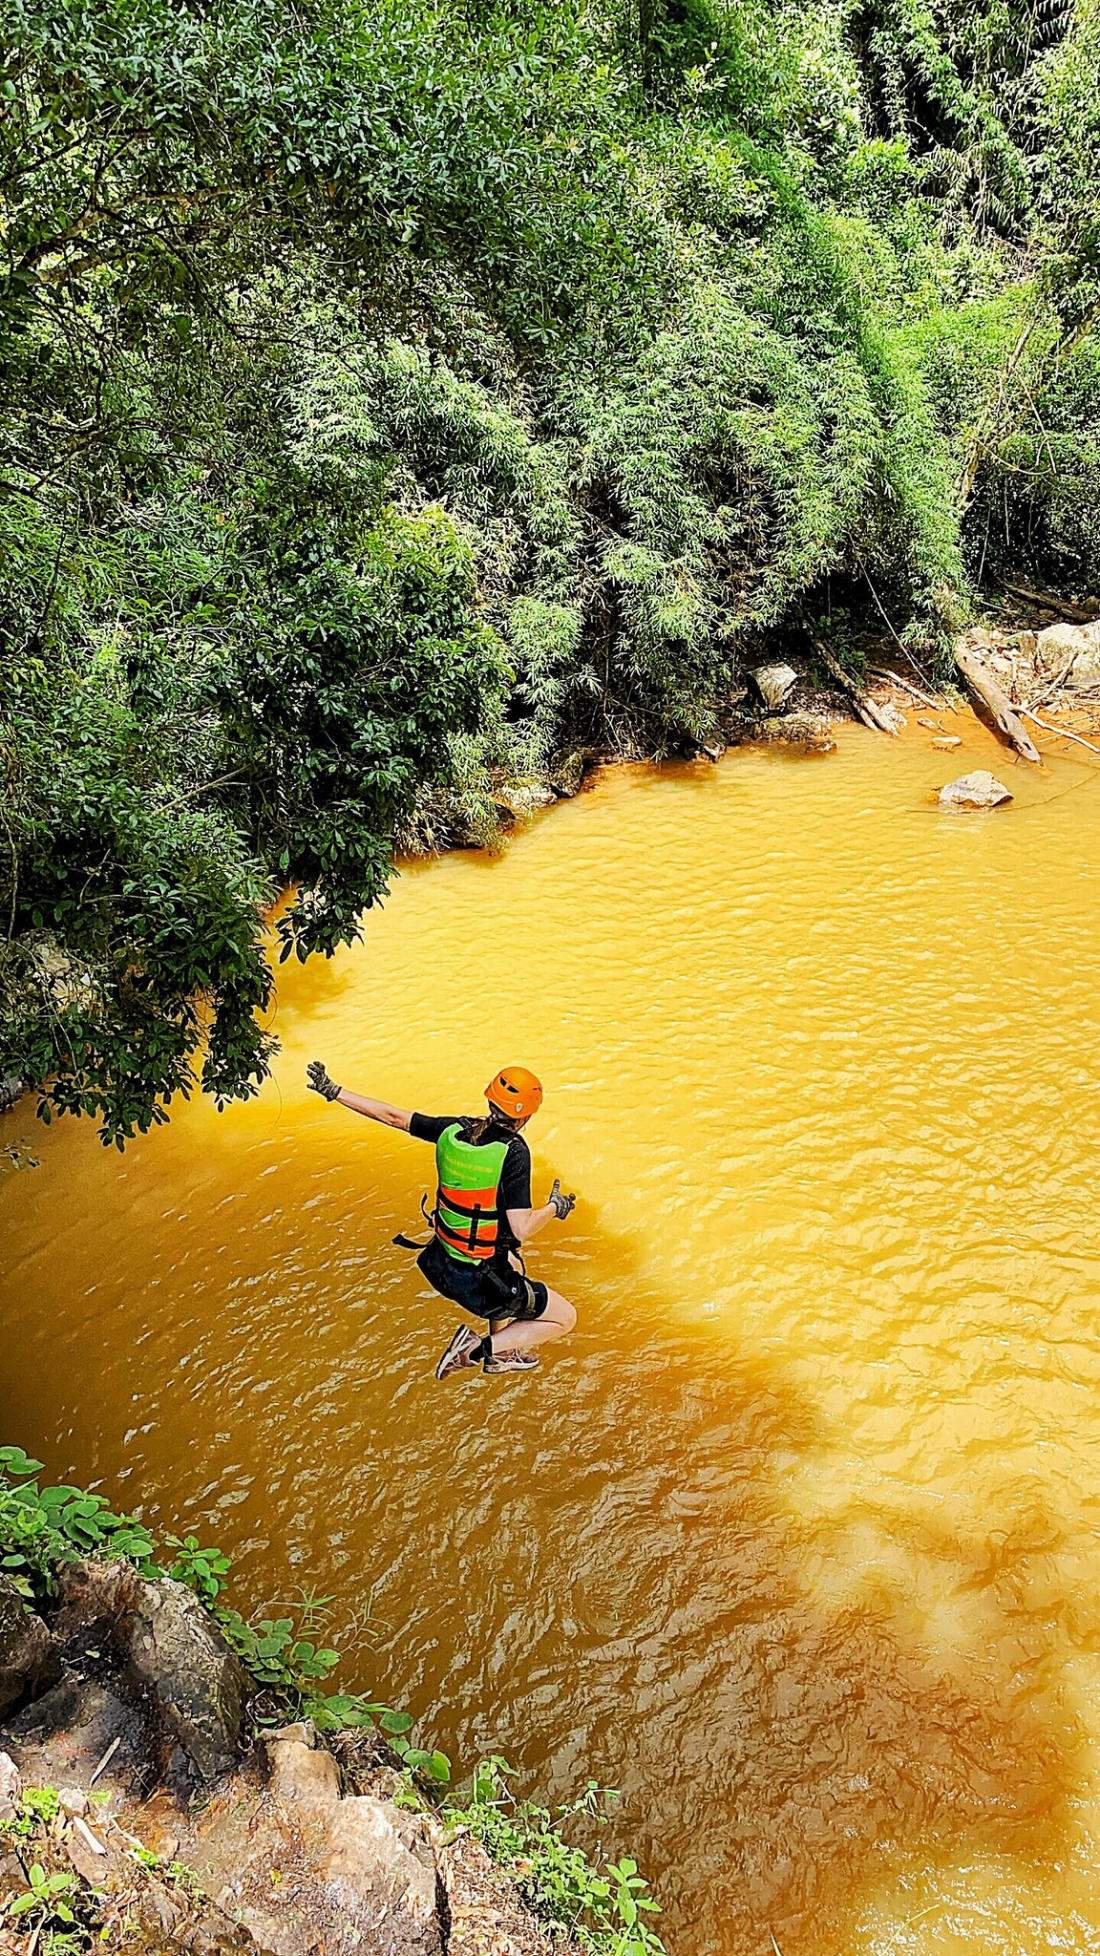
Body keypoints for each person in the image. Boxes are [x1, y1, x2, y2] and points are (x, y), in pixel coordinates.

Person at [306, 1061, 577, 1380]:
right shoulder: (514, 1152)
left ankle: (499, 1357)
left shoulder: (454, 1129)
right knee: (565, 1318)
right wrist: (554, 1208)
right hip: (477, 1283)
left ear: (490, 1100)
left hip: (442, 1264)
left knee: (513, 1263)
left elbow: (393, 1117)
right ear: (527, 1115)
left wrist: (334, 1091)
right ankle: (475, 1350)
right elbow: (522, 1228)